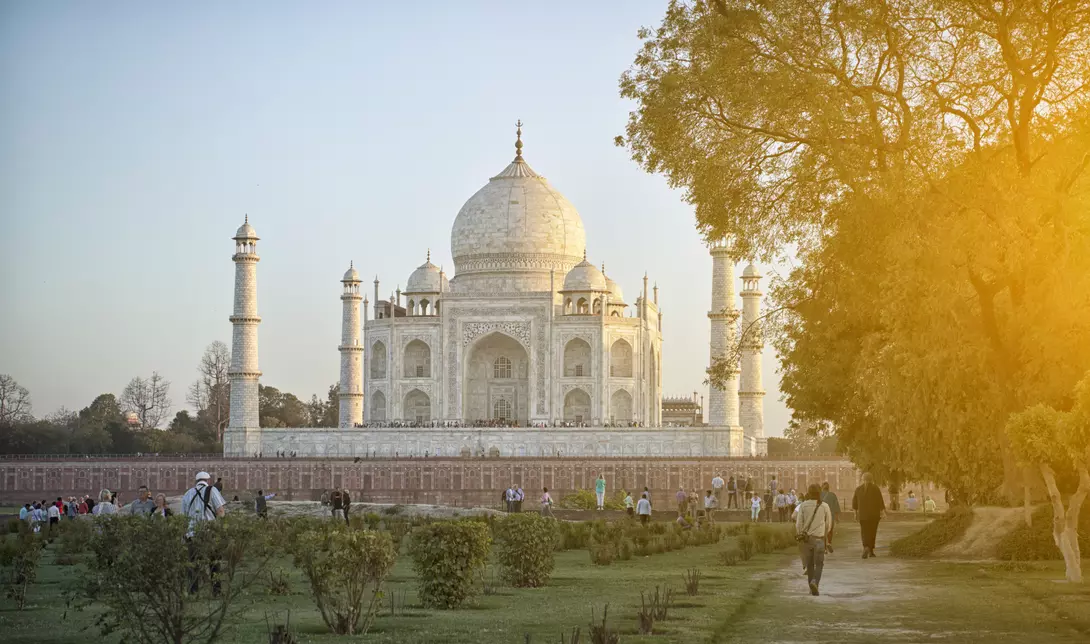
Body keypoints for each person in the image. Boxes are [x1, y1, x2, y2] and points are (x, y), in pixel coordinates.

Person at [181, 471, 227, 595]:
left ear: (195, 481)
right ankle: (216, 591)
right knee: (214, 562)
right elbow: (220, 511)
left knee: (193, 564)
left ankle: (193, 591)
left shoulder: (187, 494)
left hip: (192, 533)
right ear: (208, 480)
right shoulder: (212, 490)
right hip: (209, 531)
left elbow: (183, 517)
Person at [795, 483, 833, 596]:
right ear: (819, 493)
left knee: (810, 564)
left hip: (807, 539)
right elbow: (828, 524)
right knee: (819, 563)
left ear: (809, 493)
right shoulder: (825, 506)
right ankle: (815, 582)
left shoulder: (803, 506)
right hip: (819, 538)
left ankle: (811, 588)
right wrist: (825, 534)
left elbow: (798, 524)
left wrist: (800, 534)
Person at [852, 472, 886, 559]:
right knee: (872, 532)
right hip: (874, 515)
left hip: (863, 515)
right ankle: (871, 550)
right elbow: (880, 501)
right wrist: (882, 512)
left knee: (864, 531)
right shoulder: (875, 488)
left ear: (863, 479)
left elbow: (854, 503)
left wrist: (855, 514)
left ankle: (865, 547)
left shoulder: (858, 489)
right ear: (872, 479)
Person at [821, 482, 841, 553]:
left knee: (823, 532)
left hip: (821, 516)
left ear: (822, 487)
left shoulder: (819, 495)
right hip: (831, 516)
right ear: (828, 488)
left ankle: (824, 548)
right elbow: (836, 507)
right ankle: (829, 543)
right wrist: (837, 518)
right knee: (830, 531)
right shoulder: (832, 495)